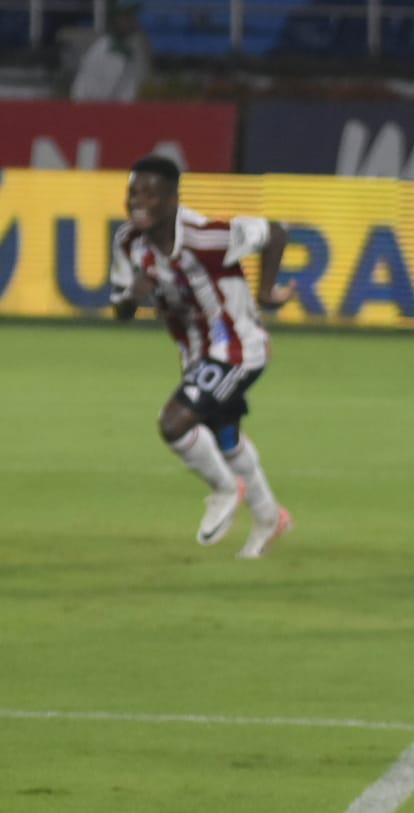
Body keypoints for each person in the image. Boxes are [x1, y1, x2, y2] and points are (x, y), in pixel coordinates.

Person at [109, 155, 295, 558]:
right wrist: (131, 297)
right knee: (224, 436)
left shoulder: (207, 234)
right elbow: (120, 311)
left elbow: (276, 232)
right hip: (195, 354)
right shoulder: (127, 242)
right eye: (133, 193)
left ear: (174, 199)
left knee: (174, 424)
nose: (138, 201)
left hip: (237, 350)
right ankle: (269, 517)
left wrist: (265, 294)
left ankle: (226, 490)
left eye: (151, 194)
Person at [69, 2, 149, 103]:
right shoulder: (102, 50)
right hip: (93, 111)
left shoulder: (131, 49)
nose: (133, 21)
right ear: (116, 20)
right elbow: (96, 94)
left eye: (132, 17)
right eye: (127, 17)